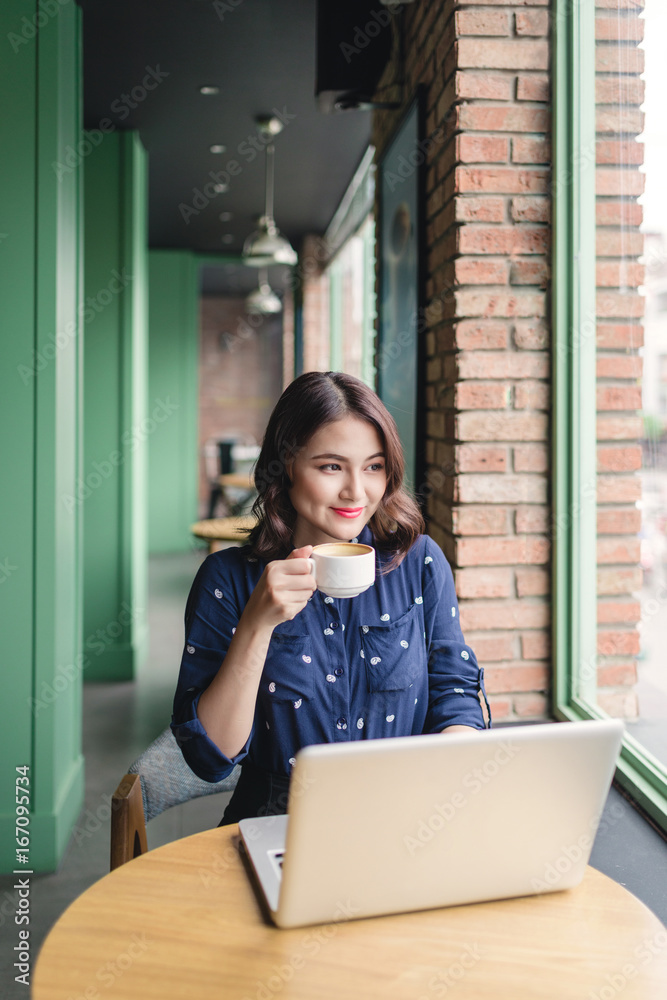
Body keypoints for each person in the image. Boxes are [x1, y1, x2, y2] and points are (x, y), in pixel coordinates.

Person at [171, 371, 490, 824]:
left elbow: (453, 690)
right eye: (331, 466)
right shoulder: (227, 579)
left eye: (374, 466)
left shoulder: (418, 563)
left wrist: (450, 768)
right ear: (285, 467)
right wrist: (258, 625)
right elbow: (210, 758)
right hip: (278, 824)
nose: (356, 492)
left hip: (405, 816)